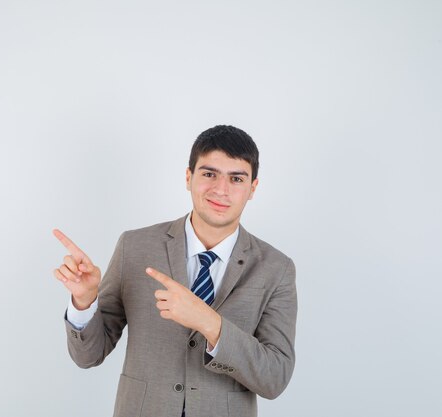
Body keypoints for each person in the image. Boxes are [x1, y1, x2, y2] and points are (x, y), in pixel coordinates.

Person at [53, 125, 297, 417]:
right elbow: (88, 356)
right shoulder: (135, 246)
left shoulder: (276, 268)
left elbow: (275, 378)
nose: (221, 189)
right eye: (209, 174)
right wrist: (84, 301)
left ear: (252, 189)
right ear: (188, 177)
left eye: (236, 178)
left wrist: (210, 323)